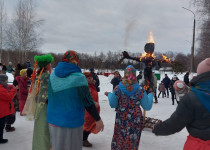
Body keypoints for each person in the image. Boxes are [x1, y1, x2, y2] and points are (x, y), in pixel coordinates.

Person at [47, 50, 104, 150]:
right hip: (72, 122)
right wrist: (98, 119)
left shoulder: (52, 76)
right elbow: (87, 101)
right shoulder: (79, 78)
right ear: (76, 61)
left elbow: (49, 97)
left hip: (53, 120)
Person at [152, 58, 210, 150]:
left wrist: (157, 128)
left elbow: (175, 124)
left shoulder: (192, 98)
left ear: (200, 75)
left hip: (199, 146)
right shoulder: (191, 96)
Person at [104, 65, 153, 150]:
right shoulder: (140, 90)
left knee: (120, 136)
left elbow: (113, 104)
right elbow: (147, 106)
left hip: (121, 116)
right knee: (132, 138)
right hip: (135, 118)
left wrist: (109, 95)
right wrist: (151, 95)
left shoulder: (118, 88)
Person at [30, 54, 54, 150]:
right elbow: (48, 93)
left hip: (38, 105)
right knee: (45, 130)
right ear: (46, 65)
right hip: (45, 106)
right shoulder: (46, 76)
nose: (50, 66)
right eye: (49, 64)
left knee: (39, 129)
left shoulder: (37, 76)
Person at [83, 72, 101, 147]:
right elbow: (86, 98)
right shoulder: (85, 87)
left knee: (90, 124)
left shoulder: (91, 86)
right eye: (88, 78)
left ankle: (83, 138)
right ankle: (83, 139)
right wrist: (93, 103)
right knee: (88, 125)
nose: (91, 79)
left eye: (91, 78)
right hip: (88, 110)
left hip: (92, 108)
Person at [0, 74, 17, 144]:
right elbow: (9, 97)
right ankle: (0, 139)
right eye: (6, 79)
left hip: (2, 110)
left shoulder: (2, 86)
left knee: (1, 125)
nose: (7, 80)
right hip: (1, 111)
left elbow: (6, 88)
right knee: (1, 125)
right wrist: (14, 90)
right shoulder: (1, 89)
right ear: (3, 80)